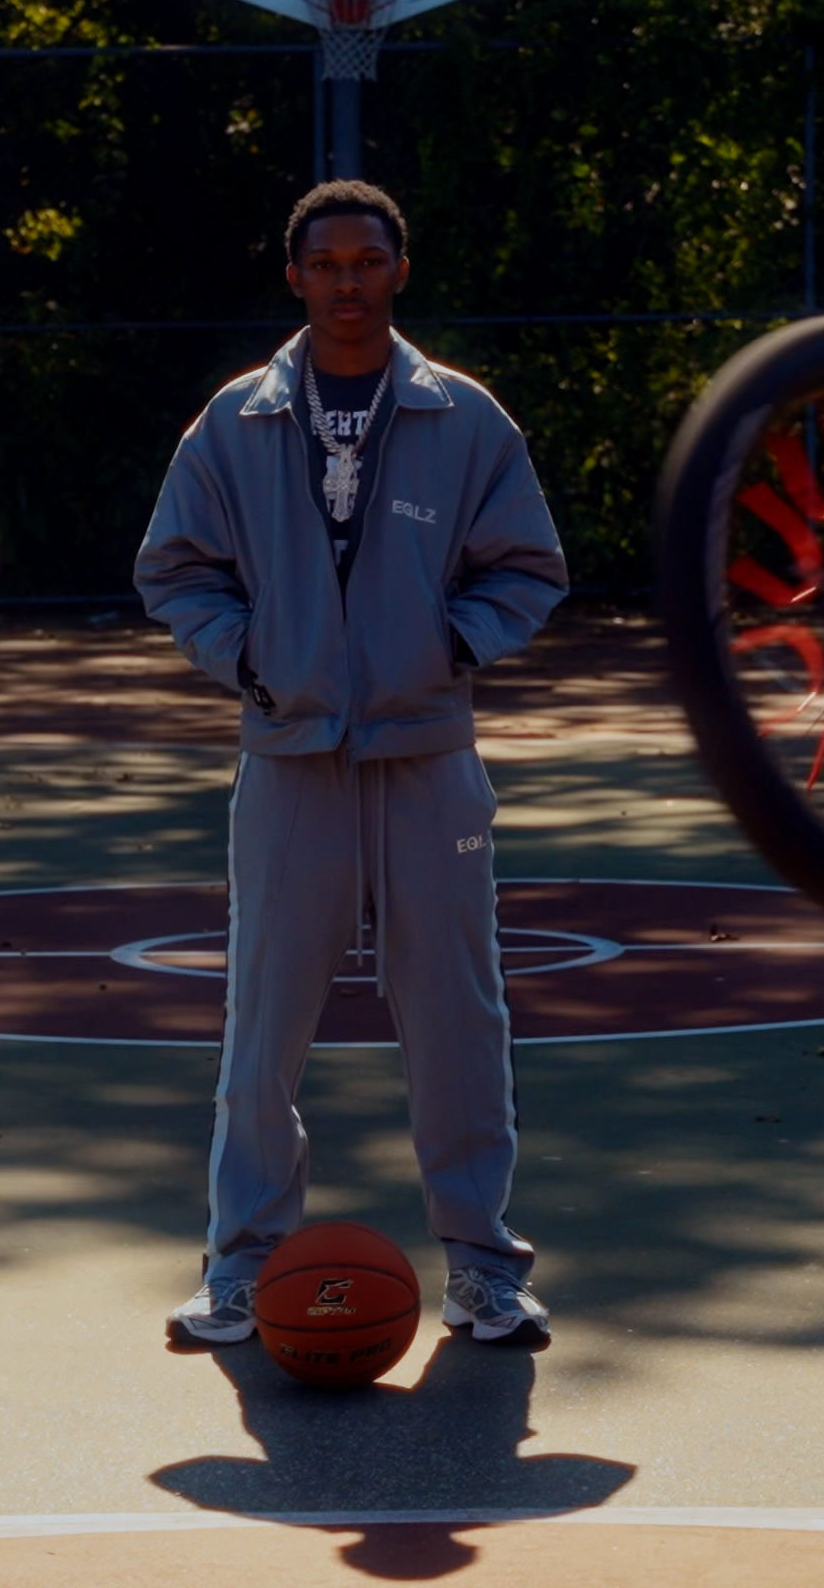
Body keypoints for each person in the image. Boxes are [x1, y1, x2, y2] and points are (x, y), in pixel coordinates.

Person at [135, 179, 570, 1347]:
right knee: (262, 1025)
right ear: (295, 278)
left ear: (398, 270)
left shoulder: (463, 416)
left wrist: (450, 646)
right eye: (324, 263)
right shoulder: (237, 420)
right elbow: (174, 568)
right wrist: (249, 659)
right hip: (289, 758)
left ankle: (481, 1264)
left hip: (429, 758)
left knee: (460, 1018)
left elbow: (528, 565)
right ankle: (241, 1262)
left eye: (366, 261)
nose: (346, 282)